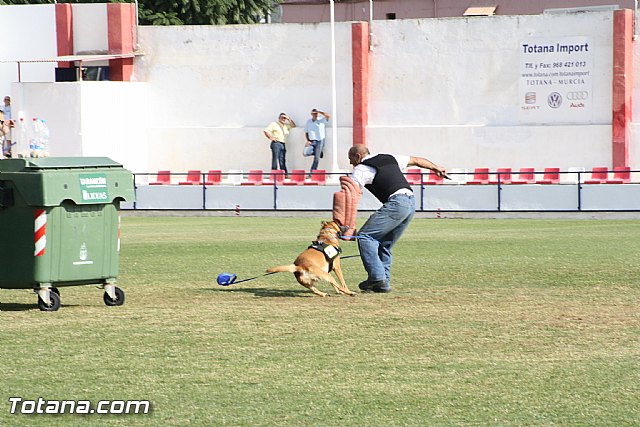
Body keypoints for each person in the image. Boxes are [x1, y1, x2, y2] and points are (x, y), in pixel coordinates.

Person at [348, 144, 447, 293]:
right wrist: (435, 167)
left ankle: (376, 278)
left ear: (358, 156)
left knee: (365, 236)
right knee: (384, 244)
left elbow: (352, 193)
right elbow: (417, 160)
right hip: (411, 202)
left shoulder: (361, 168)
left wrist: (349, 224)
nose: (350, 163)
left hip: (397, 203)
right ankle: (383, 284)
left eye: (350, 159)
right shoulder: (389, 157)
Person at [303, 108, 330, 178]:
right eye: (313, 113)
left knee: (316, 159)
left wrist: (319, 111)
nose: (315, 115)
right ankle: (318, 152)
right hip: (312, 141)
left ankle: (312, 173)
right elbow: (306, 132)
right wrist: (308, 140)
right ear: (311, 114)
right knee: (305, 153)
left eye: (316, 113)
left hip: (319, 141)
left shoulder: (321, 120)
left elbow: (328, 116)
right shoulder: (308, 122)